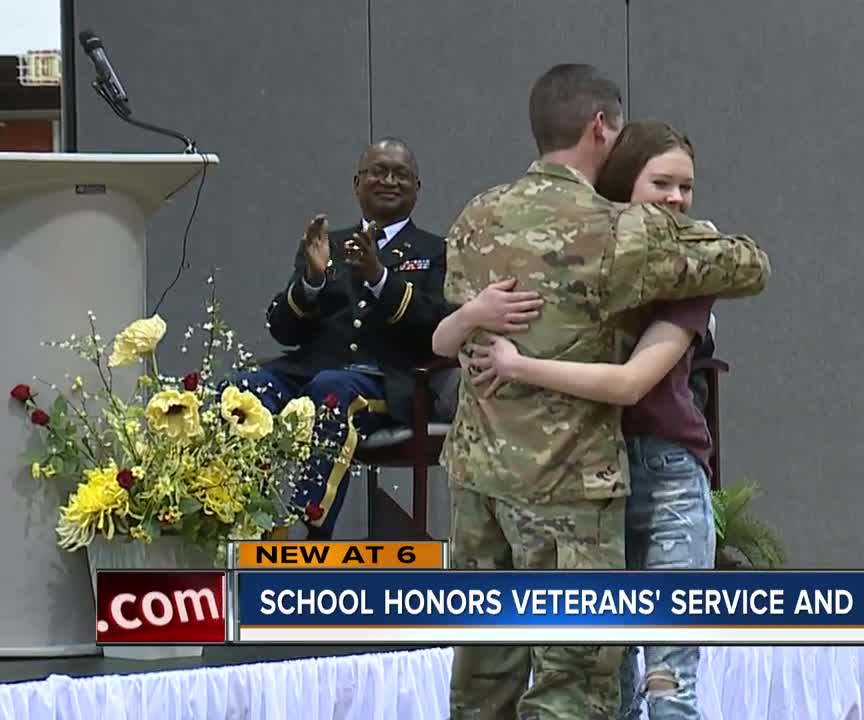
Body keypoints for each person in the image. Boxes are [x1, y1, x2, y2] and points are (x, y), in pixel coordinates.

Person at [437, 64, 770, 720]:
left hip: (477, 478)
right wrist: (682, 229)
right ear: (601, 127)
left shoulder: (476, 214)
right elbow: (751, 265)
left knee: (483, 678)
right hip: (568, 490)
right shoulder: (620, 230)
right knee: (574, 685)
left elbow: (456, 327)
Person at [237, 137, 456, 540]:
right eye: (378, 171)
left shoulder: (437, 251)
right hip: (309, 371)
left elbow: (439, 329)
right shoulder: (326, 243)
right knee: (240, 392)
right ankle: (241, 521)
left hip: (384, 382)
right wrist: (313, 281)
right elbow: (284, 330)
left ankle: (306, 532)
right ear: (357, 183)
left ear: (417, 189)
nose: (389, 180)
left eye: (401, 174)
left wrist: (380, 279)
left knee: (332, 390)